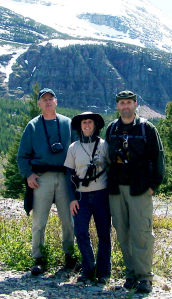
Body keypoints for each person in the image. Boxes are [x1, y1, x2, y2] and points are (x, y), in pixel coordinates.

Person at [106, 91, 165, 294]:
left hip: (140, 189)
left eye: (129, 103)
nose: (125, 106)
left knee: (141, 234)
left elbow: (158, 158)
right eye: (122, 103)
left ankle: (145, 277)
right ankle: (130, 275)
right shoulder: (111, 128)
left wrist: (152, 187)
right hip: (116, 189)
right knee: (122, 233)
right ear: (117, 106)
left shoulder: (146, 128)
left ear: (135, 104)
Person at [17, 88, 77, 275]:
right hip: (41, 178)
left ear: (56, 101)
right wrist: (28, 174)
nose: (48, 102)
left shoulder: (68, 124)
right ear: (39, 104)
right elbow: (22, 156)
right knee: (39, 220)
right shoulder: (33, 126)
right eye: (44, 99)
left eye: (51, 98)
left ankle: (69, 256)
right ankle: (38, 258)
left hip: (65, 177)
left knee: (68, 220)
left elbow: (78, 151)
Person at [64, 112, 111, 284]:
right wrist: (71, 199)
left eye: (90, 122)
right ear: (80, 126)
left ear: (95, 125)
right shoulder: (73, 148)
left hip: (102, 195)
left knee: (104, 234)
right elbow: (68, 175)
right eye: (84, 122)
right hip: (81, 197)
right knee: (81, 232)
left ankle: (104, 272)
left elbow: (112, 168)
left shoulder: (104, 145)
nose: (87, 125)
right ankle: (88, 268)